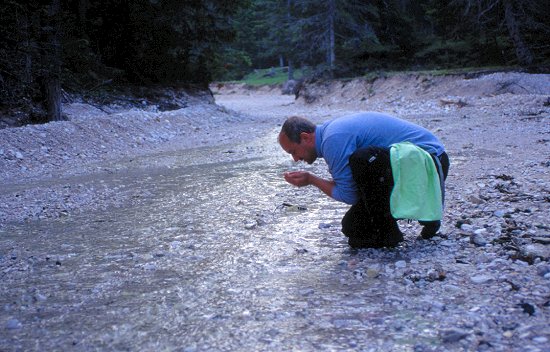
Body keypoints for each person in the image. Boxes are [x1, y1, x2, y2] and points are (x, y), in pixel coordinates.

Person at [278, 112, 450, 249]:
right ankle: (423, 213)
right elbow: (358, 187)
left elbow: (349, 195)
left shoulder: (333, 140)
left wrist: (311, 180)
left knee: (362, 160)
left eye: (293, 151)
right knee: (353, 228)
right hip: (420, 163)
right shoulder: (332, 133)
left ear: (306, 137)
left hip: (430, 164)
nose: (295, 159)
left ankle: (389, 232)